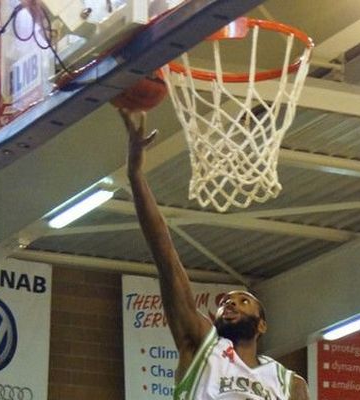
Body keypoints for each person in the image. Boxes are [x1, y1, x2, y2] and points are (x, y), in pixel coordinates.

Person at [122, 110, 309, 400]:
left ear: (261, 325)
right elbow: (166, 259)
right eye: (225, 302)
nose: (231, 304)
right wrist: (135, 175)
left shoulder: (289, 384)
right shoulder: (201, 345)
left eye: (243, 301)